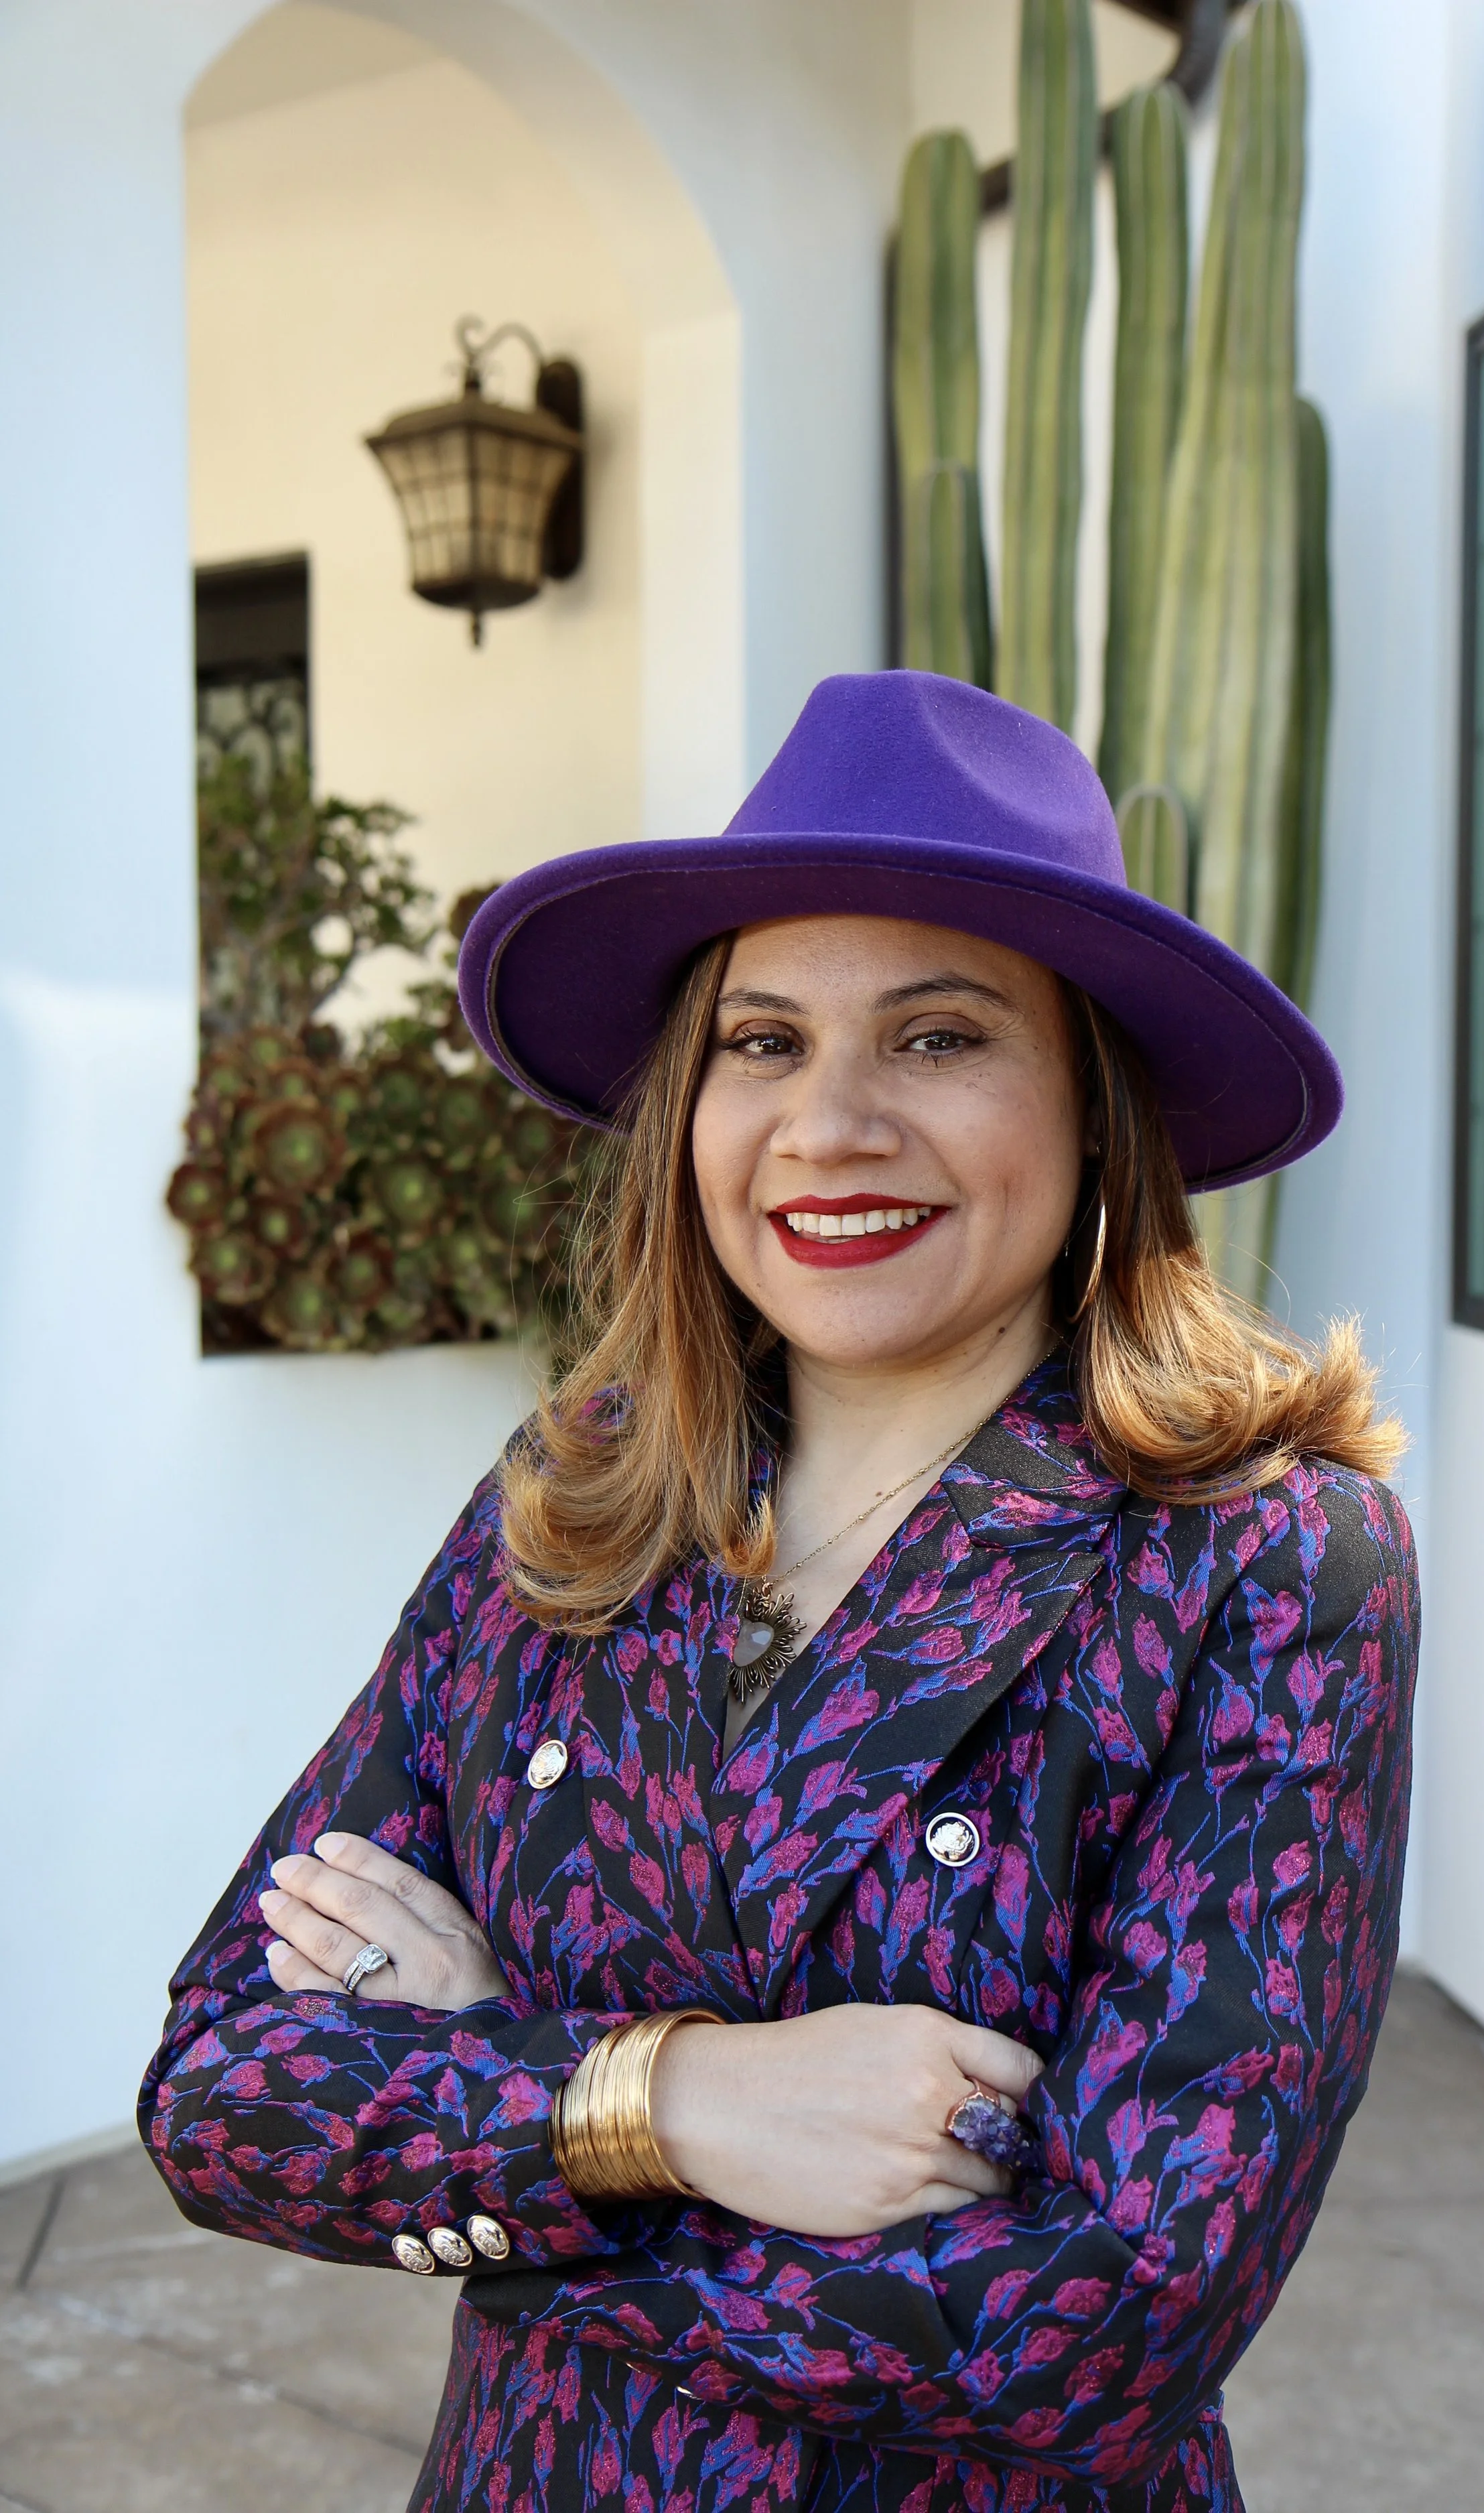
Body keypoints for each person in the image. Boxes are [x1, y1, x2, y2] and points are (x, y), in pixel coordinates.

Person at [139, 671, 1418, 2513]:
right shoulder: (573, 1494)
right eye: (759, 1041)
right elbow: (221, 2081)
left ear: (1090, 1098)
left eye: (935, 1035)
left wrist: (486, 2110)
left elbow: (1109, 2323)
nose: (827, 1125)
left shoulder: (1265, 1560)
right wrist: (667, 2103)